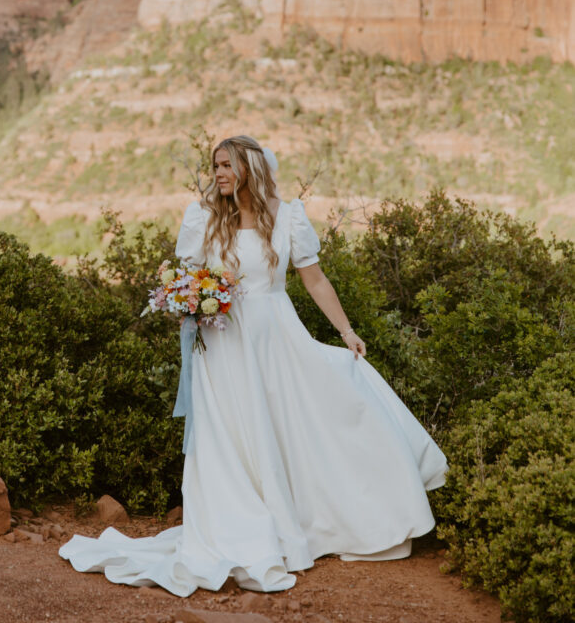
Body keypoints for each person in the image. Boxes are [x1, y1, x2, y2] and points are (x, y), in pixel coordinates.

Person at [60, 135, 447, 597]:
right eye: (215, 165)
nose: (218, 173)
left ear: (249, 168)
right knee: (233, 435)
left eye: (226, 165)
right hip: (223, 344)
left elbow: (315, 280)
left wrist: (346, 332)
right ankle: (242, 524)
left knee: (307, 418)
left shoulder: (287, 217)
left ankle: (341, 516)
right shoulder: (202, 217)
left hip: (276, 338)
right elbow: (186, 277)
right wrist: (194, 299)